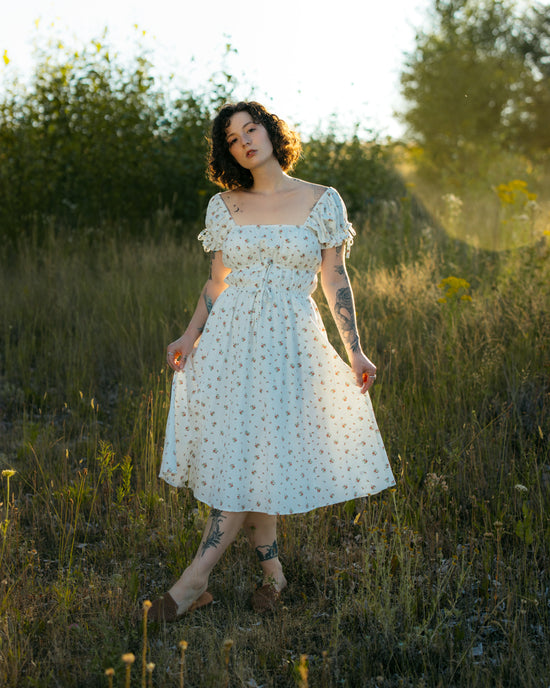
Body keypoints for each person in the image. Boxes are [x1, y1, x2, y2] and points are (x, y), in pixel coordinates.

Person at [148, 101, 395, 622]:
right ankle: (273, 575)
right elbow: (217, 282)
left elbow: (335, 279)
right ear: (228, 152)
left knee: (258, 454)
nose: (245, 142)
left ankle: (194, 582)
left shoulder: (322, 200)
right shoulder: (224, 206)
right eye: (233, 139)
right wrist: (190, 334)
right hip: (229, 344)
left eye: (251, 129)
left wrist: (355, 350)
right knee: (244, 454)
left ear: (270, 131)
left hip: (289, 344)